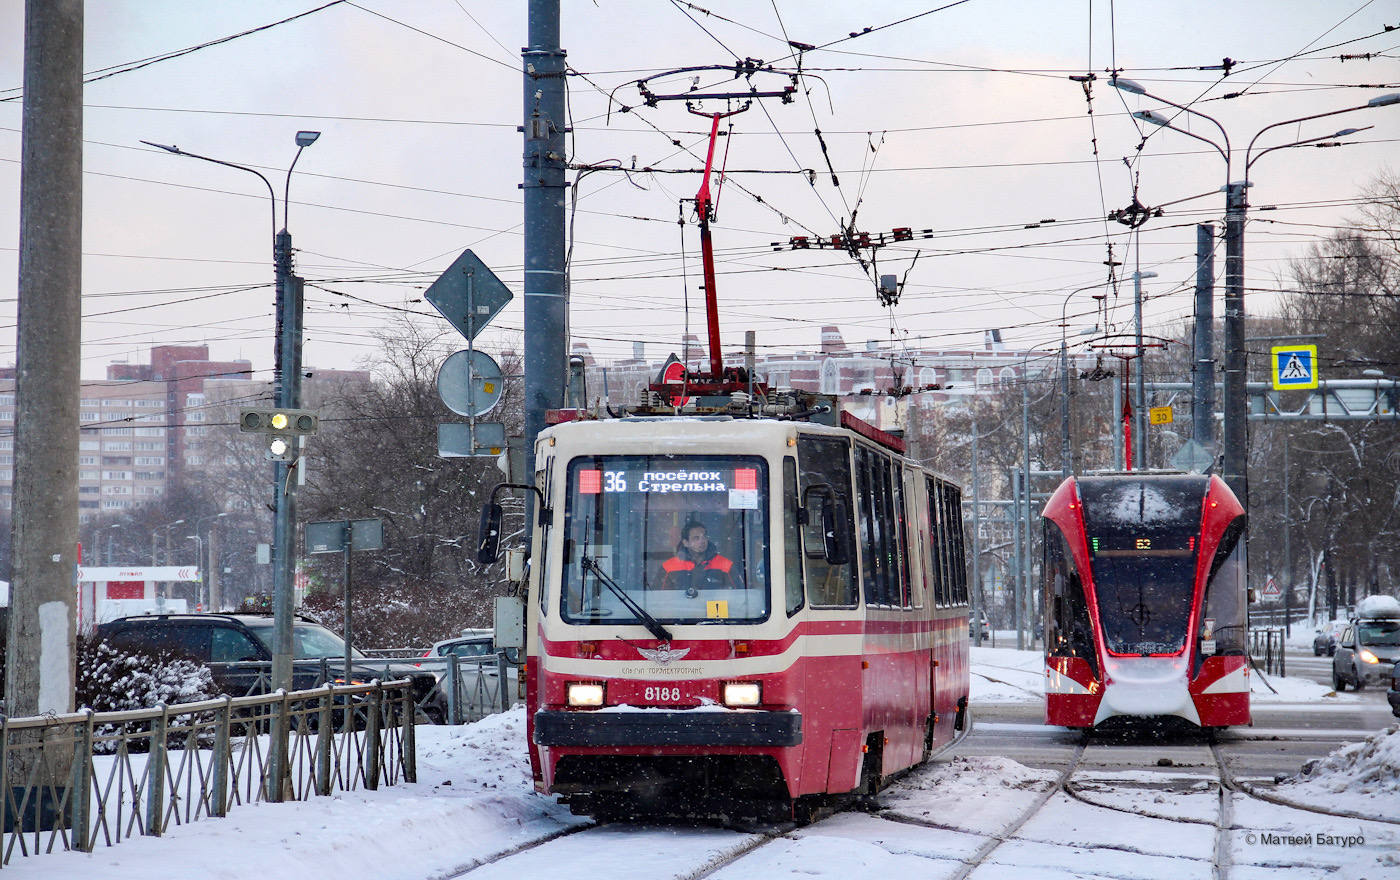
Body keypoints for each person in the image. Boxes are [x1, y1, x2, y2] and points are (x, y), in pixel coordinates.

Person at [659, 521, 737, 593]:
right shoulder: (668, 567)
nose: (702, 540)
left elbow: (739, 597)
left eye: (704, 536)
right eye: (696, 538)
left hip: (714, 607)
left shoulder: (725, 565)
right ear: (686, 543)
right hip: (679, 608)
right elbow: (657, 599)